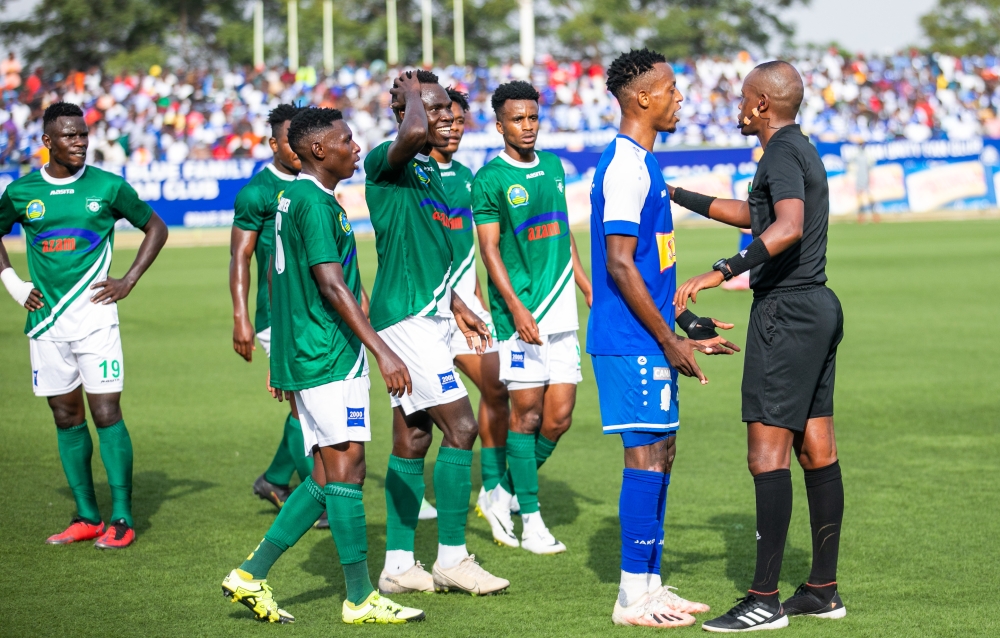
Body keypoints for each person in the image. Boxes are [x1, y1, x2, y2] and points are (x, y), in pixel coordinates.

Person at [221, 107, 425, 624]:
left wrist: (283, 360)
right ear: (318, 150)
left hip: (309, 352)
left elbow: (278, 278)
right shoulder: (314, 204)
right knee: (349, 469)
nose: (356, 148)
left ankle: (249, 575)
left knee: (323, 473)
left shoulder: (291, 199)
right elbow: (332, 285)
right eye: (346, 140)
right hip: (329, 355)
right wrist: (381, 350)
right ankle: (359, 598)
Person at [671, 60, 846, 632]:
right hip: (816, 306)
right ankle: (822, 590)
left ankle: (763, 599)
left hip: (787, 312)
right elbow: (756, 216)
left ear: (763, 105)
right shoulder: (800, 149)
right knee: (816, 449)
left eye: (744, 98)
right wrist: (676, 194)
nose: (738, 106)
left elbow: (787, 225)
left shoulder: (779, 154)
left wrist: (722, 270)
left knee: (765, 455)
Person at [589, 49, 739, 628]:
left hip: (647, 336)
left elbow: (649, 269)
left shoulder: (645, 163)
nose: (680, 98)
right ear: (641, 98)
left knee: (663, 452)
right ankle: (631, 596)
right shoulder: (626, 165)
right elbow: (621, 265)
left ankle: (649, 583)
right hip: (629, 340)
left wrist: (684, 328)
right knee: (645, 456)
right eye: (671, 89)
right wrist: (668, 341)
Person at [365, 70, 509, 596]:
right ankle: (452, 557)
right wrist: (408, 100)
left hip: (432, 315)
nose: (444, 120)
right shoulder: (389, 163)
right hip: (403, 319)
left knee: (414, 436)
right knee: (463, 427)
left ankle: (399, 565)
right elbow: (408, 137)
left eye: (450, 112)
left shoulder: (457, 178)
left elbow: (432, 252)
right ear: (406, 113)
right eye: (432, 111)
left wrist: (458, 304)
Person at [0, 101, 169, 549]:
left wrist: (128, 280)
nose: (80, 142)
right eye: (70, 135)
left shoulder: (109, 187)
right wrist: (12, 282)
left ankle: (123, 517)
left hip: (96, 319)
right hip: (46, 322)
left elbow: (155, 227)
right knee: (64, 415)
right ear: (47, 142)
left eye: (83, 134)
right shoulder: (21, 192)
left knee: (106, 412)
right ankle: (86, 516)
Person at [473, 80, 593, 554]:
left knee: (559, 417)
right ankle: (533, 521)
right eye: (517, 119)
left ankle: (499, 490)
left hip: (561, 306)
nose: (528, 126)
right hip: (520, 314)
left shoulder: (555, 166)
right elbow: (489, 248)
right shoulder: (490, 178)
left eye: (533, 117)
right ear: (500, 124)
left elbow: (564, 233)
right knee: (525, 417)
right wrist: (517, 308)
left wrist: (584, 283)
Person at [229, 104, 321, 521]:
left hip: (315, 309)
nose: (300, 148)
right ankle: (318, 499)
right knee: (304, 406)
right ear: (274, 144)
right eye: (290, 140)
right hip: (277, 315)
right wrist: (241, 318)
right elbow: (240, 257)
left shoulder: (315, 183)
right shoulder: (257, 192)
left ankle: (274, 479)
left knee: (309, 401)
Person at [428, 87, 512, 515]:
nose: (453, 128)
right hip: (426, 309)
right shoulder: (412, 176)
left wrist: (479, 300)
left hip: (467, 306)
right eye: (446, 120)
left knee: (496, 388)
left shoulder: (468, 178)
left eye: (460, 121)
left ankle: (493, 488)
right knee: (418, 418)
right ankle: (414, 498)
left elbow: (471, 251)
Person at [854, 142, 879, 224]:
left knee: (866, 196)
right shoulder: (859, 155)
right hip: (860, 178)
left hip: (864, 178)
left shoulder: (863, 156)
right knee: (862, 197)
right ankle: (863, 216)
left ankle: (873, 215)